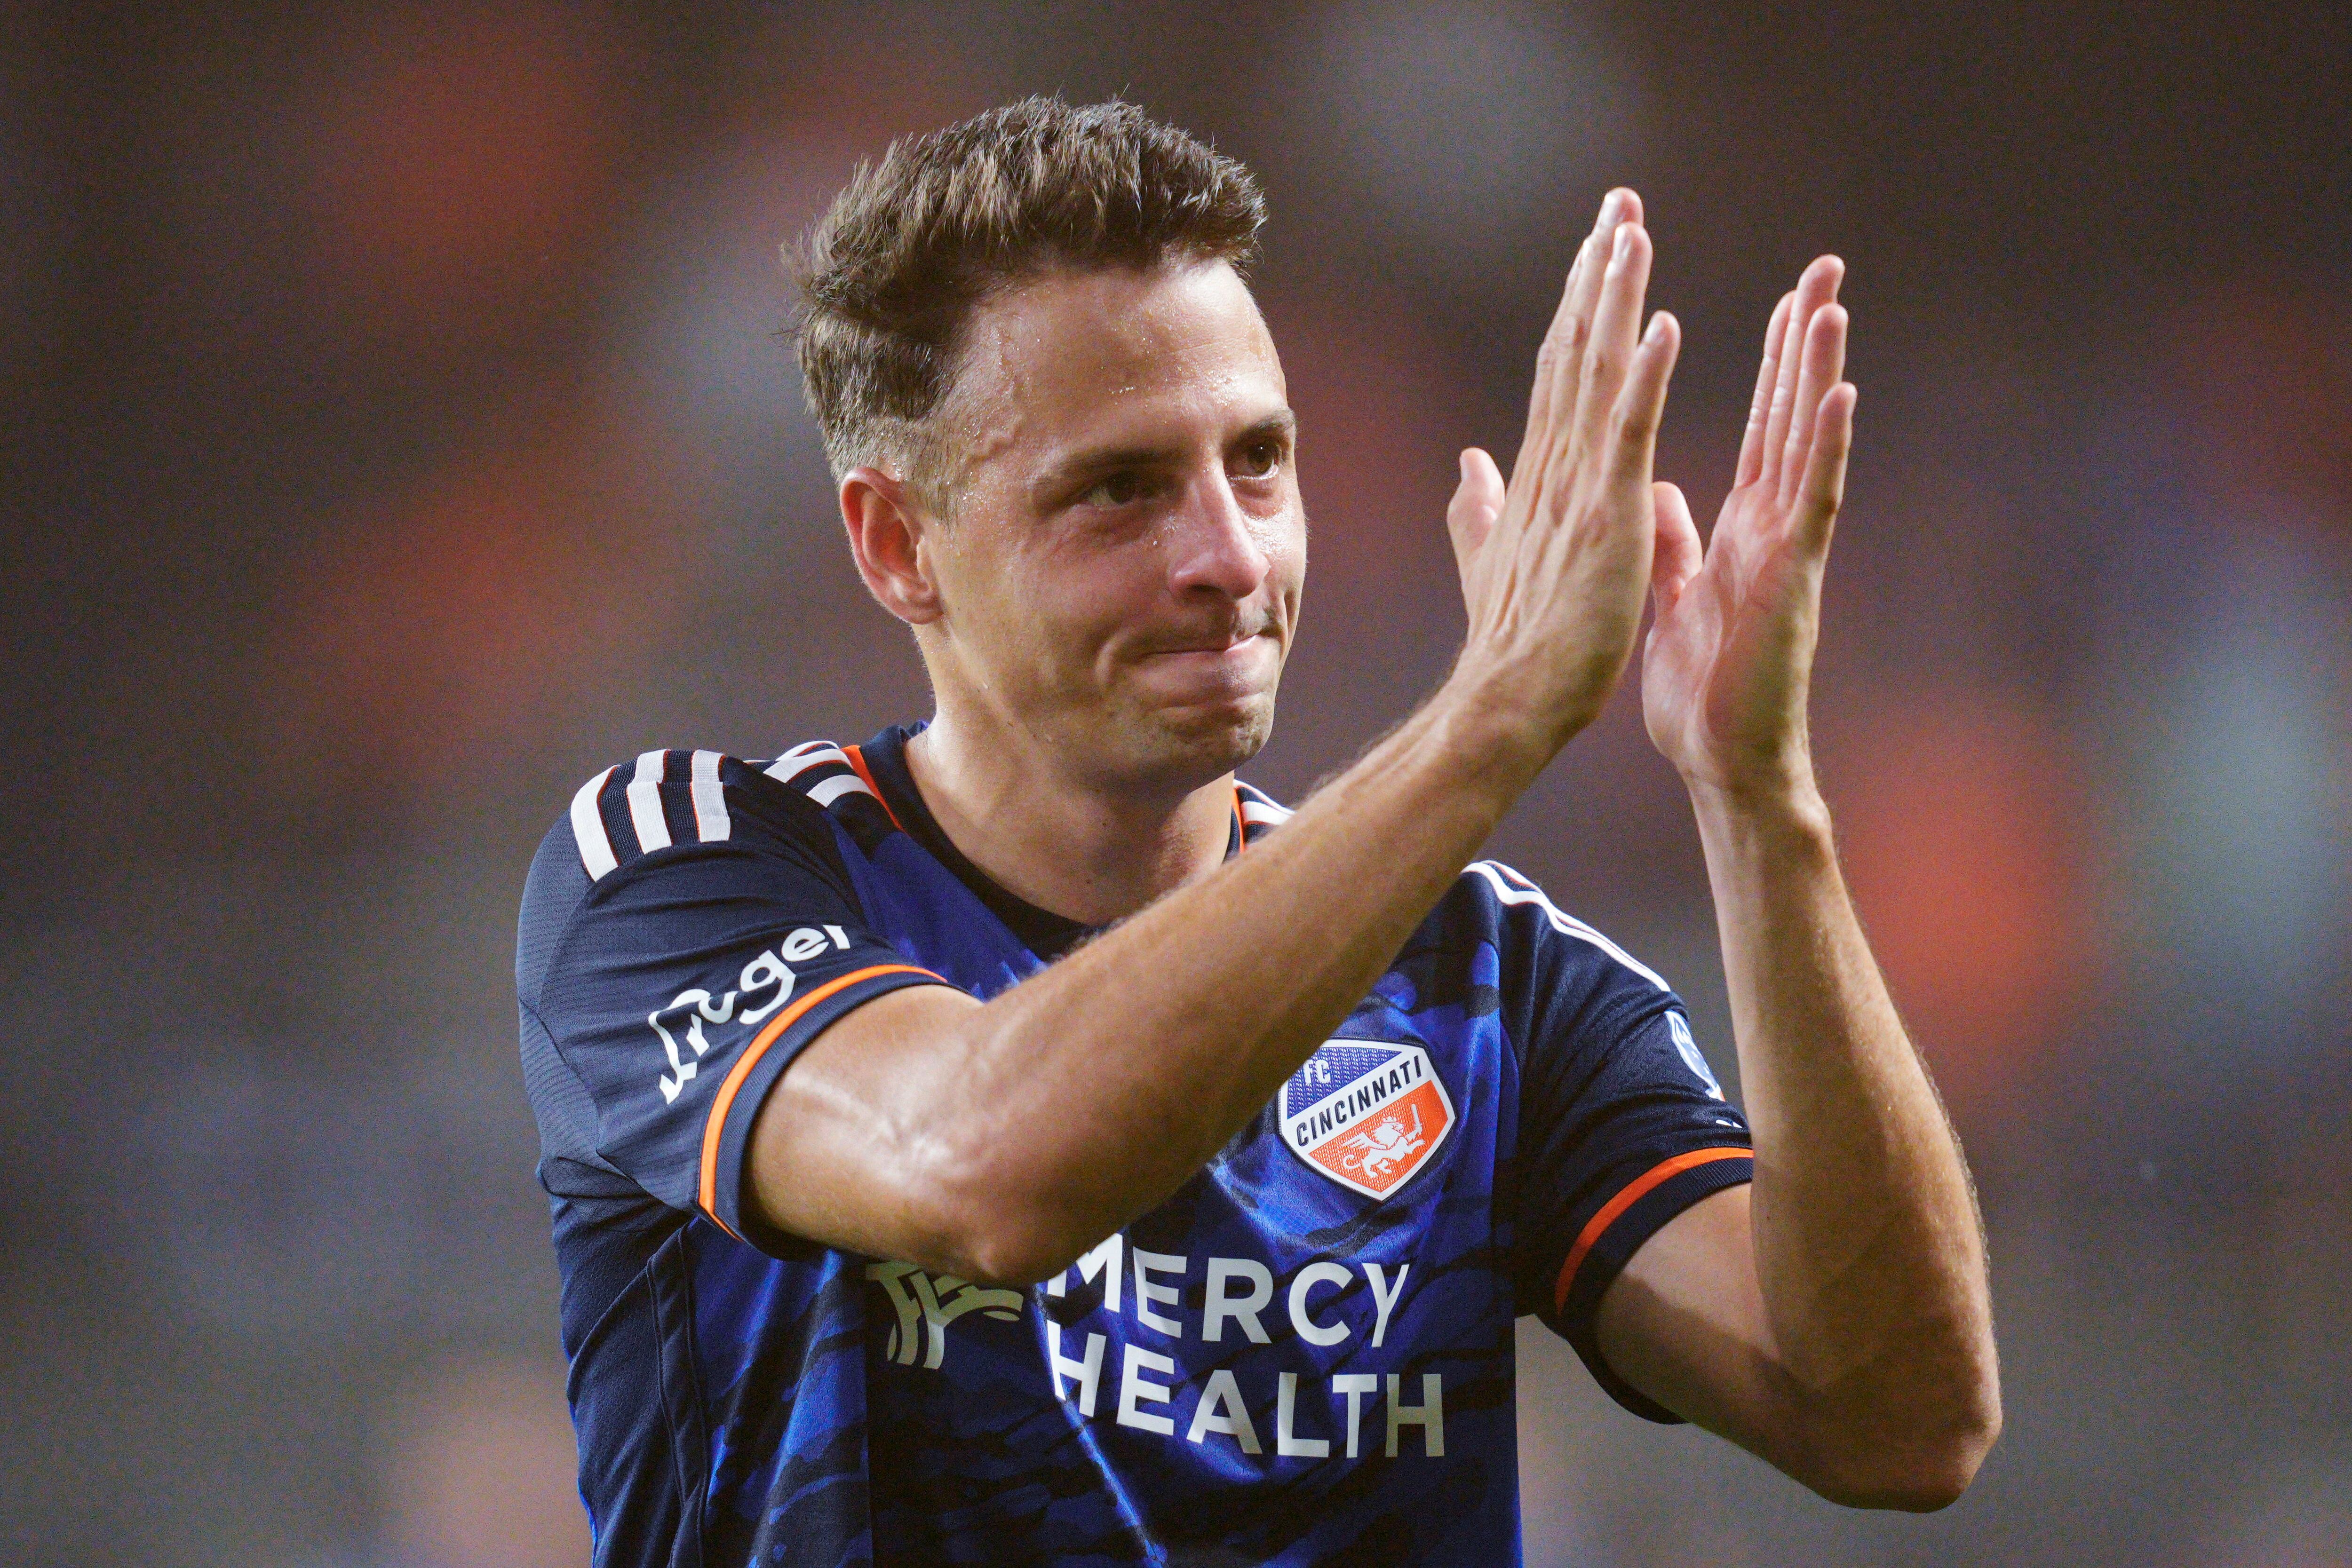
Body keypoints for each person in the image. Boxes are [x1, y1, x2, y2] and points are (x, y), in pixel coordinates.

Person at [514, 97, 1999, 1567]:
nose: (1228, 557)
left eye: (1260, 462)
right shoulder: (688, 872)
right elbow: (982, 1164)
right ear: (901, 545)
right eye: (1119, 491)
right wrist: (1491, 718)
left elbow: (1896, 1424)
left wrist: (1761, 802)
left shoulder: (1487, 983)